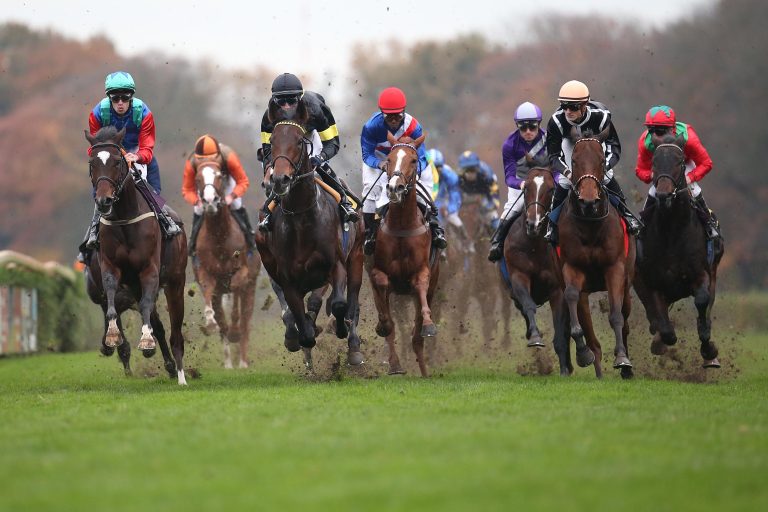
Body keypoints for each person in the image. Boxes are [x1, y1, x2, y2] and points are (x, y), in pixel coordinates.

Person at [81, 71, 180, 253]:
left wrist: (137, 157)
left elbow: (147, 147)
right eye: (115, 98)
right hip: (110, 155)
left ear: (131, 97)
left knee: (142, 182)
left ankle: (165, 220)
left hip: (136, 152)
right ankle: (94, 230)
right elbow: (94, 147)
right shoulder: (97, 114)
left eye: (124, 97)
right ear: (109, 97)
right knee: (101, 188)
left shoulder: (143, 112)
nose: (120, 103)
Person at [257, 72, 358, 232]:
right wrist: (271, 167)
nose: (286, 106)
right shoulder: (269, 116)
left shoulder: (316, 109)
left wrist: (320, 157)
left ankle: (345, 203)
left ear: (300, 98)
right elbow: (268, 148)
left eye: (291, 101)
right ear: (274, 100)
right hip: (283, 140)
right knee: (277, 174)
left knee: (318, 166)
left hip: (310, 135)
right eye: (281, 101)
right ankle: (269, 213)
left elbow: (332, 143)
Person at [544, 80, 642, 242]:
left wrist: (602, 169)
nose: (568, 111)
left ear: (584, 105)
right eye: (564, 106)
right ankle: (551, 225)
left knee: (607, 177)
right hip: (570, 145)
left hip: (595, 145)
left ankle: (627, 215)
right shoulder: (556, 122)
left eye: (573, 107)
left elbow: (614, 148)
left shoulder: (601, 117)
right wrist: (568, 173)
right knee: (564, 182)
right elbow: (553, 156)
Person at [359, 86, 447, 255]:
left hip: (407, 162)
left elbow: (420, 157)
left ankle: (436, 230)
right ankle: (370, 234)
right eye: (388, 115)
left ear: (404, 111)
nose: (393, 119)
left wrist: (411, 172)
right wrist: (381, 164)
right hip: (379, 161)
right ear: (381, 113)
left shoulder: (414, 126)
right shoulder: (370, 127)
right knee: (370, 193)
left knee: (421, 193)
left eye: (397, 115)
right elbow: (366, 154)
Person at [635, 105, 721, 240]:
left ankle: (709, 224)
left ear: (672, 129)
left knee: (694, 189)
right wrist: (651, 176)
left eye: (660, 130)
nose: (655, 135)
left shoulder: (689, 139)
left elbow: (706, 163)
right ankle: (641, 224)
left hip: (683, 163)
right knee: (654, 190)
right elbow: (640, 170)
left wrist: (689, 178)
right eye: (651, 130)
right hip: (662, 166)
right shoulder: (646, 143)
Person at [488, 101, 550, 261]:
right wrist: (521, 184)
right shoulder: (509, 145)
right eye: (523, 127)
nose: (528, 131)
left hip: (546, 184)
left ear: (539, 125)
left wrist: (553, 182)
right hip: (521, 183)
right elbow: (509, 176)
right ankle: (498, 242)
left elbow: (556, 168)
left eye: (532, 127)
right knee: (511, 209)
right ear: (517, 126)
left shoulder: (550, 140)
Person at [182, 134, 257, 256]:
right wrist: (197, 201)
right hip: (204, 187)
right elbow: (187, 189)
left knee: (236, 204)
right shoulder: (191, 162)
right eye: (202, 161)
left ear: (217, 156)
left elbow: (243, 181)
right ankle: (193, 245)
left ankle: (250, 239)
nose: (206, 163)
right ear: (197, 159)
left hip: (225, 183)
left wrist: (231, 196)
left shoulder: (229, 156)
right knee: (199, 210)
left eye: (210, 160)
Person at [456, 150, 501, 237]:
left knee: (493, 219)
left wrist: (492, 205)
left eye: (472, 170)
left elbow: (494, 191)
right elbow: (455, 193)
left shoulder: (487, 174)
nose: (470, 173)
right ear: (462, 170)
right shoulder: (457, 177)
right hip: (466, 198)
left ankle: (498, 242)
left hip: (484, 198)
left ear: (477, 168)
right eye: (467, 170)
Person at [430, 148, 464, 237]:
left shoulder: (449, 175)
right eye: (433, 168)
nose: (436, 172)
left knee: (456, 221)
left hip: (444, 203)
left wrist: (449, 210)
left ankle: (467, 245)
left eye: (438, 168)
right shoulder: (421, 174)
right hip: (428, 204)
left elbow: (455, 195)